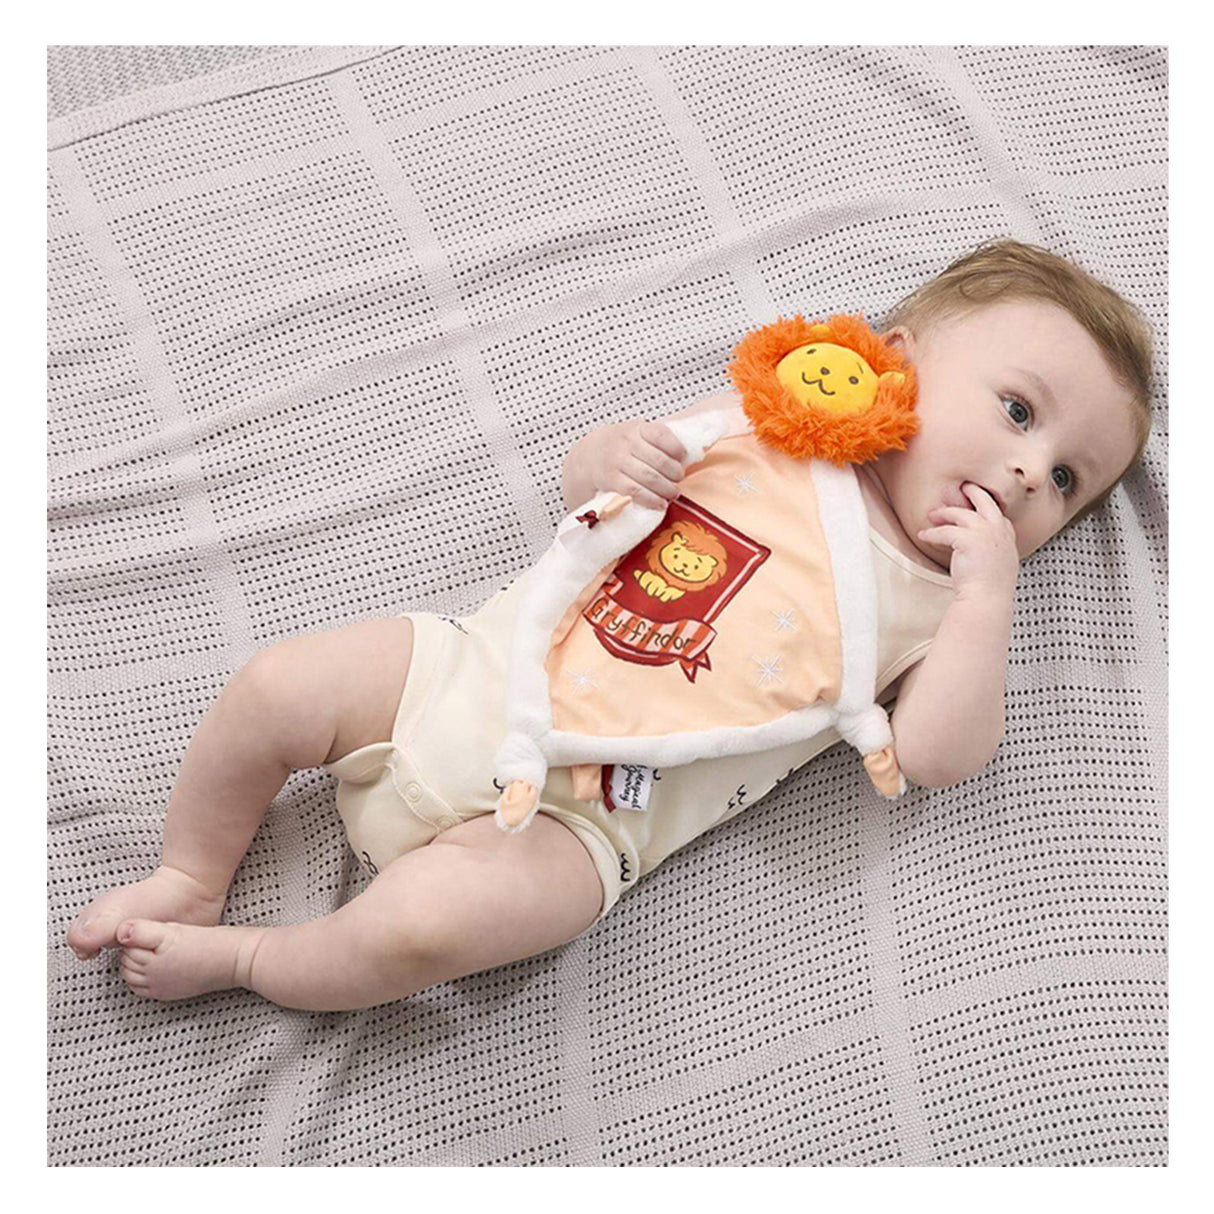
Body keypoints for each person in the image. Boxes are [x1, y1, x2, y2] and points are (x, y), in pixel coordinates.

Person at [64, 239, 1154, 1011]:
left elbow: (937, 754)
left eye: (1065, 479)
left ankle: (255, 956)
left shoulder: (943, 604)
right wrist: (609, 458)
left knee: (422, 929)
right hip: (466, 675)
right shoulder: (769, 433)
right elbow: (597, 494)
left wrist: (984, 601)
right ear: (893, 362)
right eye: (1016, 410)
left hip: (585, 823)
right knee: (275, 684)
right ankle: (189, 872)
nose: (1024, 472)